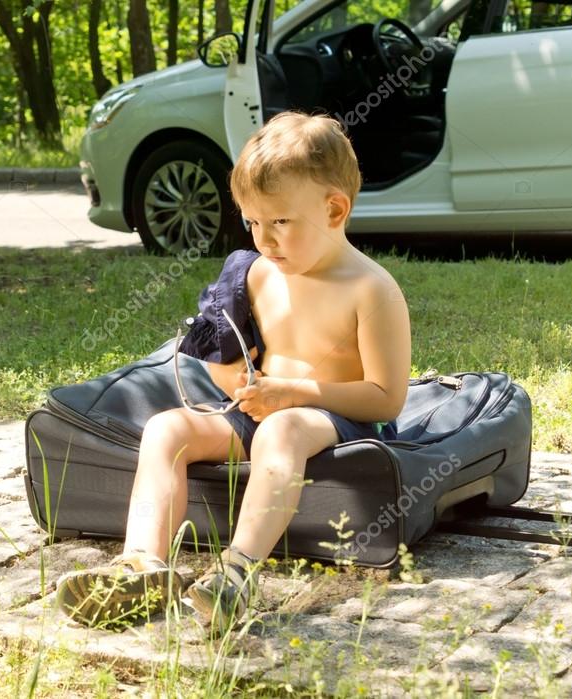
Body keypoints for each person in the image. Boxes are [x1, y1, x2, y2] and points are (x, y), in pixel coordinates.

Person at [55, 111, 412, 633]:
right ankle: (142, 566)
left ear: (334, 209)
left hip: (339, 423)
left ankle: (237, 574)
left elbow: (386, 399)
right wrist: (239, 387)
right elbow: (224, 360)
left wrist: (290, 395)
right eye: (253, 222)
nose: (264, 239)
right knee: (167, 428)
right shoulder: (259, 274)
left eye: (281, 222)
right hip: (265, 416)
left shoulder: (371, 289)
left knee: (285, 427)